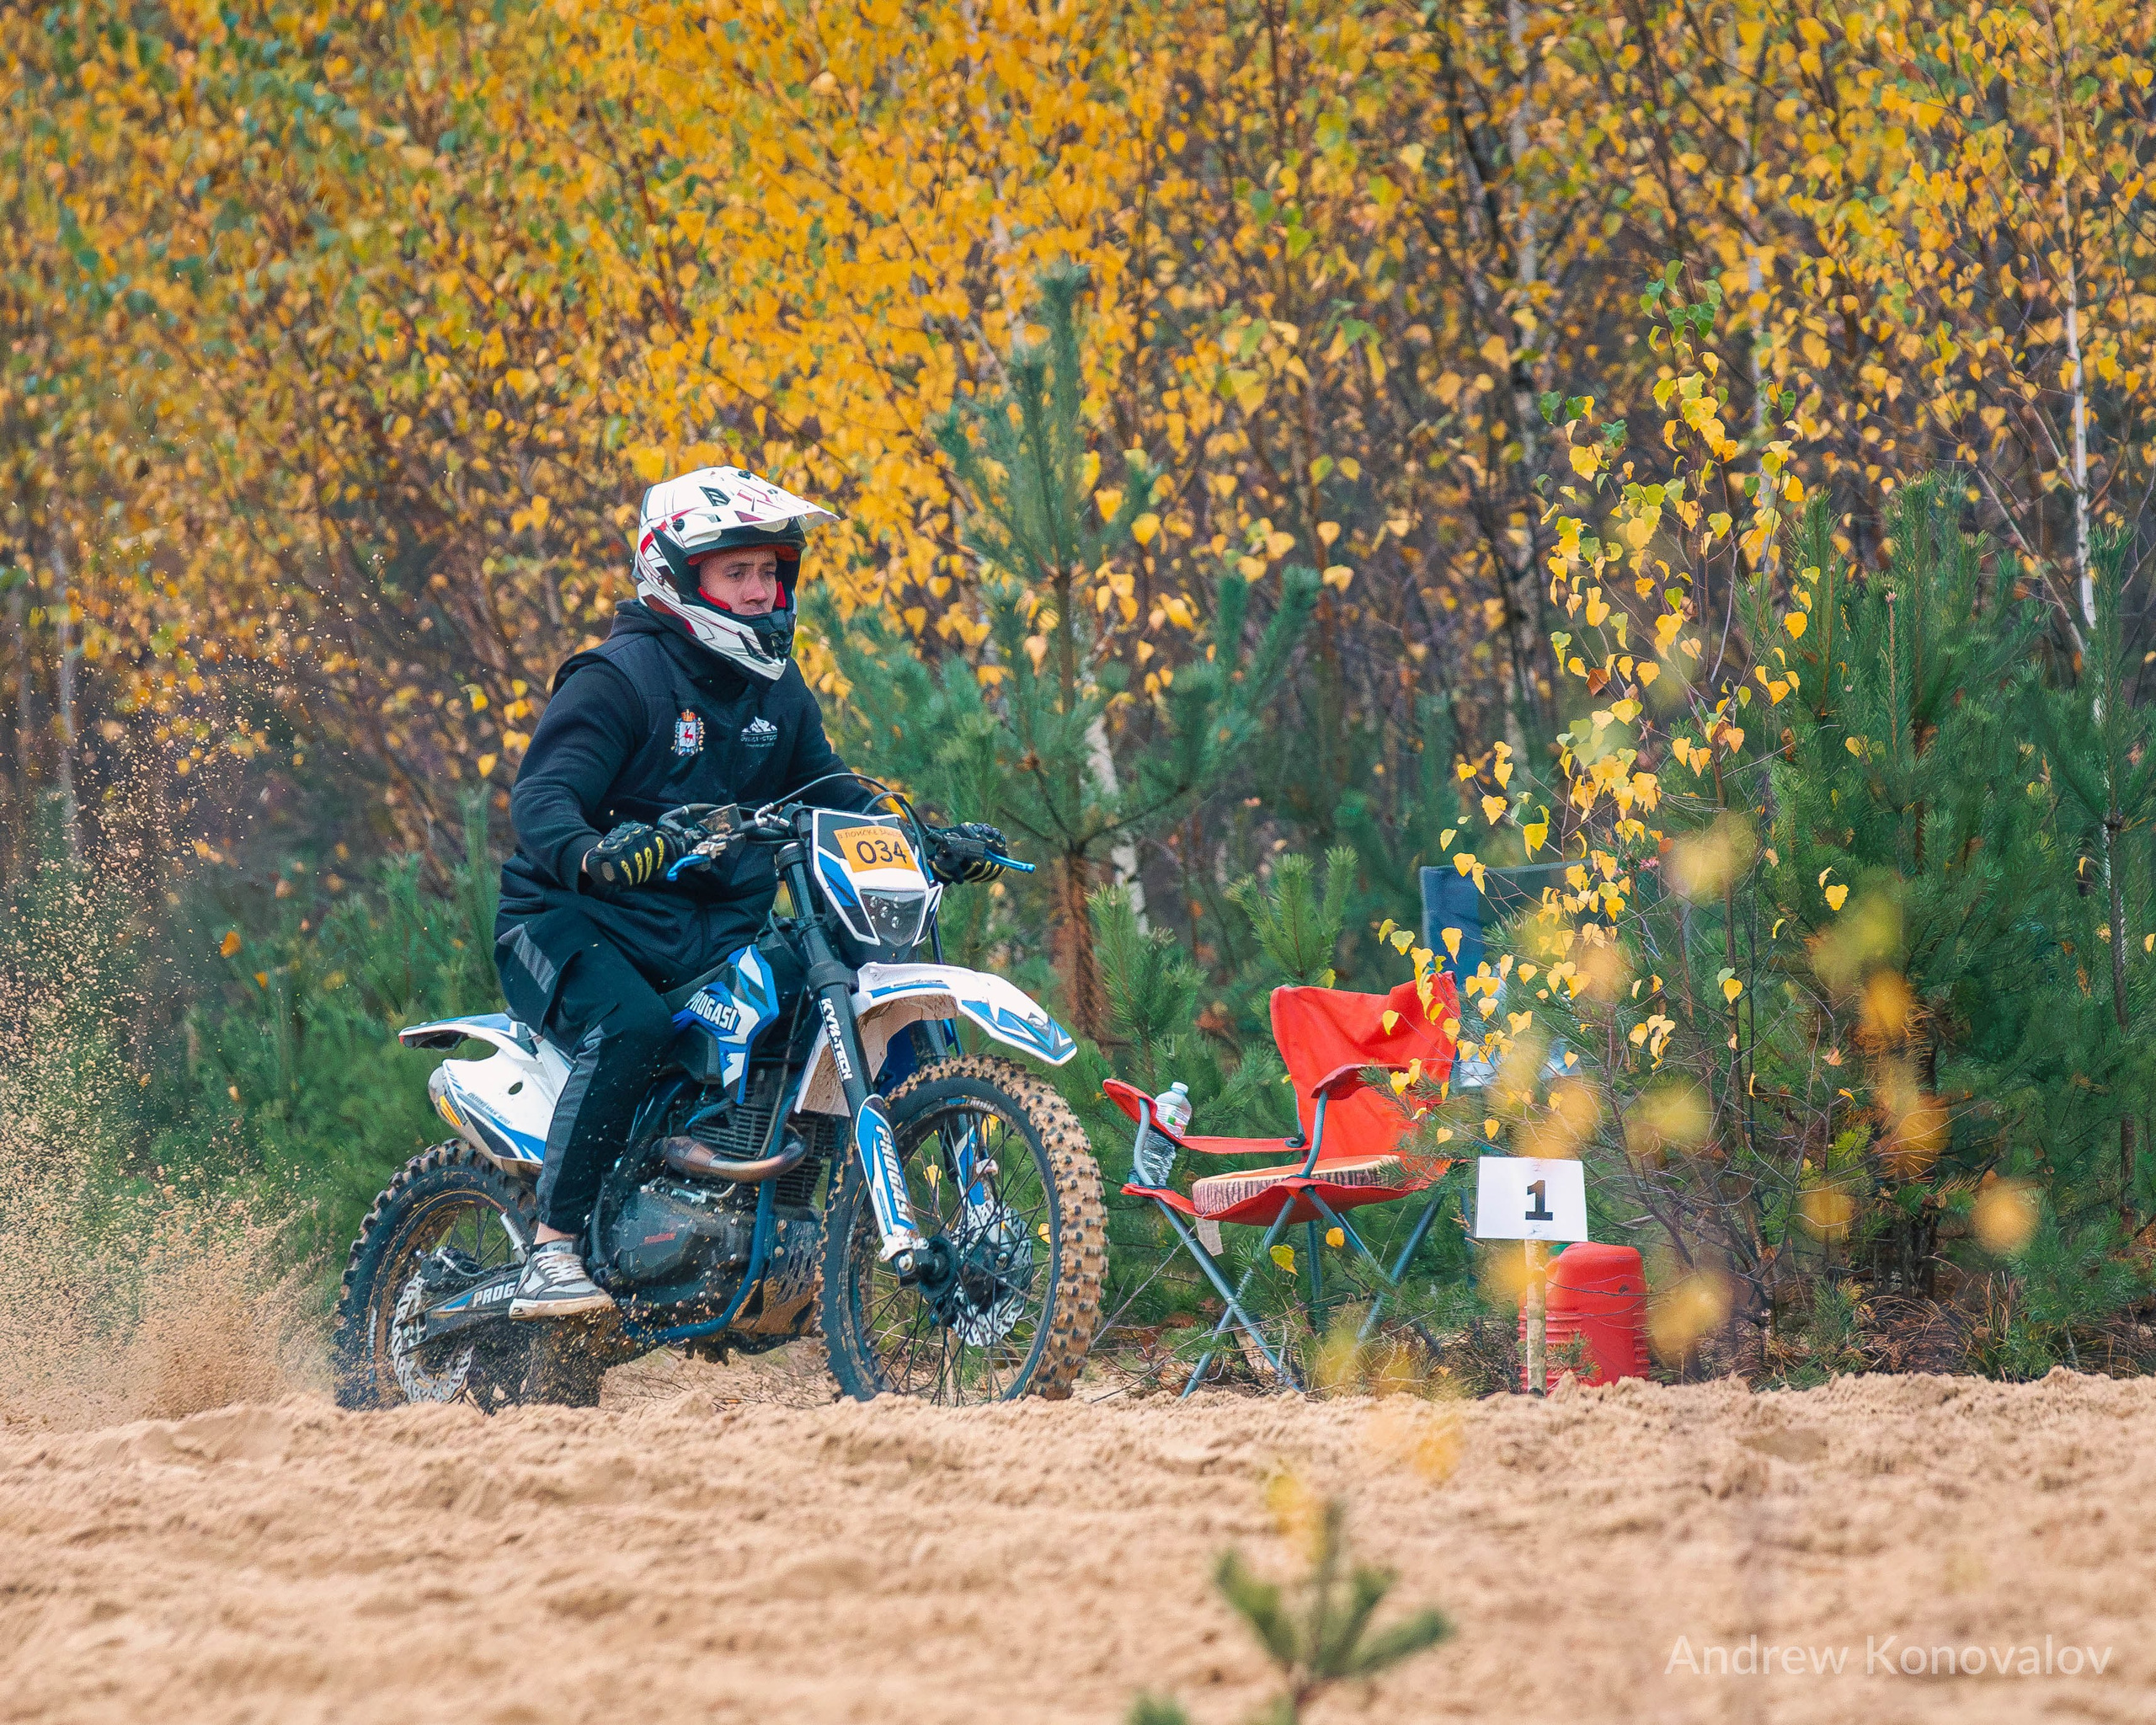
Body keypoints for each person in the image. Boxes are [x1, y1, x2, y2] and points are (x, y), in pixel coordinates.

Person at [494, 466, 1004, 1318]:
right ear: (676, 576)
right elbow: (542, 798)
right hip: (572, 923)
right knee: (632, 1025)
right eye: (737, 572)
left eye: (770, 571)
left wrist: (923, 838)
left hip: (703, 936)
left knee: (809, 989)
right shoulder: (617, 678)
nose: (761, 591)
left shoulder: (776, 688)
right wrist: (596, 853)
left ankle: (764, 1216)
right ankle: (552, 1247)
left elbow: (831, 790)